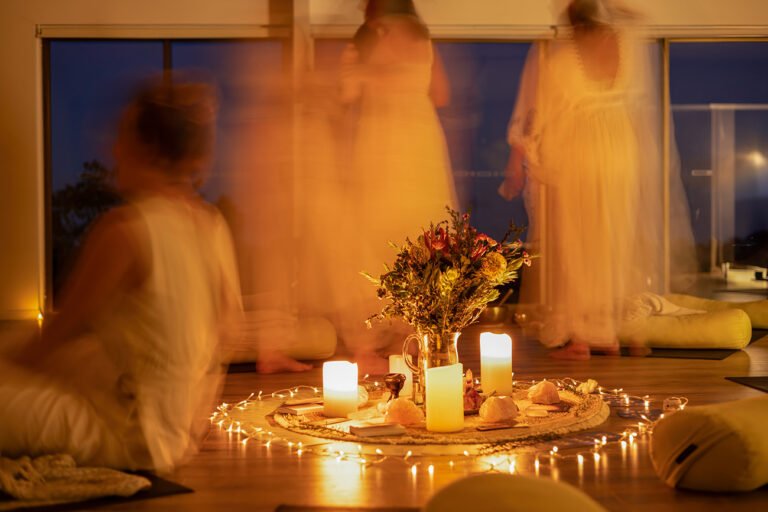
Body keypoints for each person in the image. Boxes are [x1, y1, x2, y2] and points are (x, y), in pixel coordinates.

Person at [0, 75, 241, 471]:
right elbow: (227, 332)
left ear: (146, 148)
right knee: (24, 344)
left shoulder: (126, 231)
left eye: (122, 136)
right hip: (178, 429)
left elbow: (60, 333)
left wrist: (17, 371)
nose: (112, 150)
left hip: (132, 436)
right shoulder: (212, 224)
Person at [499, 0, 693, 359]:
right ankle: (622, 330)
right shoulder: (627, 45)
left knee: (581, 242)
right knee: (617, 240)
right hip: (623, 150)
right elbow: (637, 95)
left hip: (582, 150)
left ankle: (587, 338)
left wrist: (526, 160)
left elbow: (537, 114)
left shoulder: (556, 58)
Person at [334, 0, 458, 372]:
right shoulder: (424, 39)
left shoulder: (370, 39)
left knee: (373, 236)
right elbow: (441, 96)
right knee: (421, 238)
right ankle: (422, 336)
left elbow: (345, 95)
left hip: (382, 143)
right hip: (421, 142)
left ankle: (368, 342)